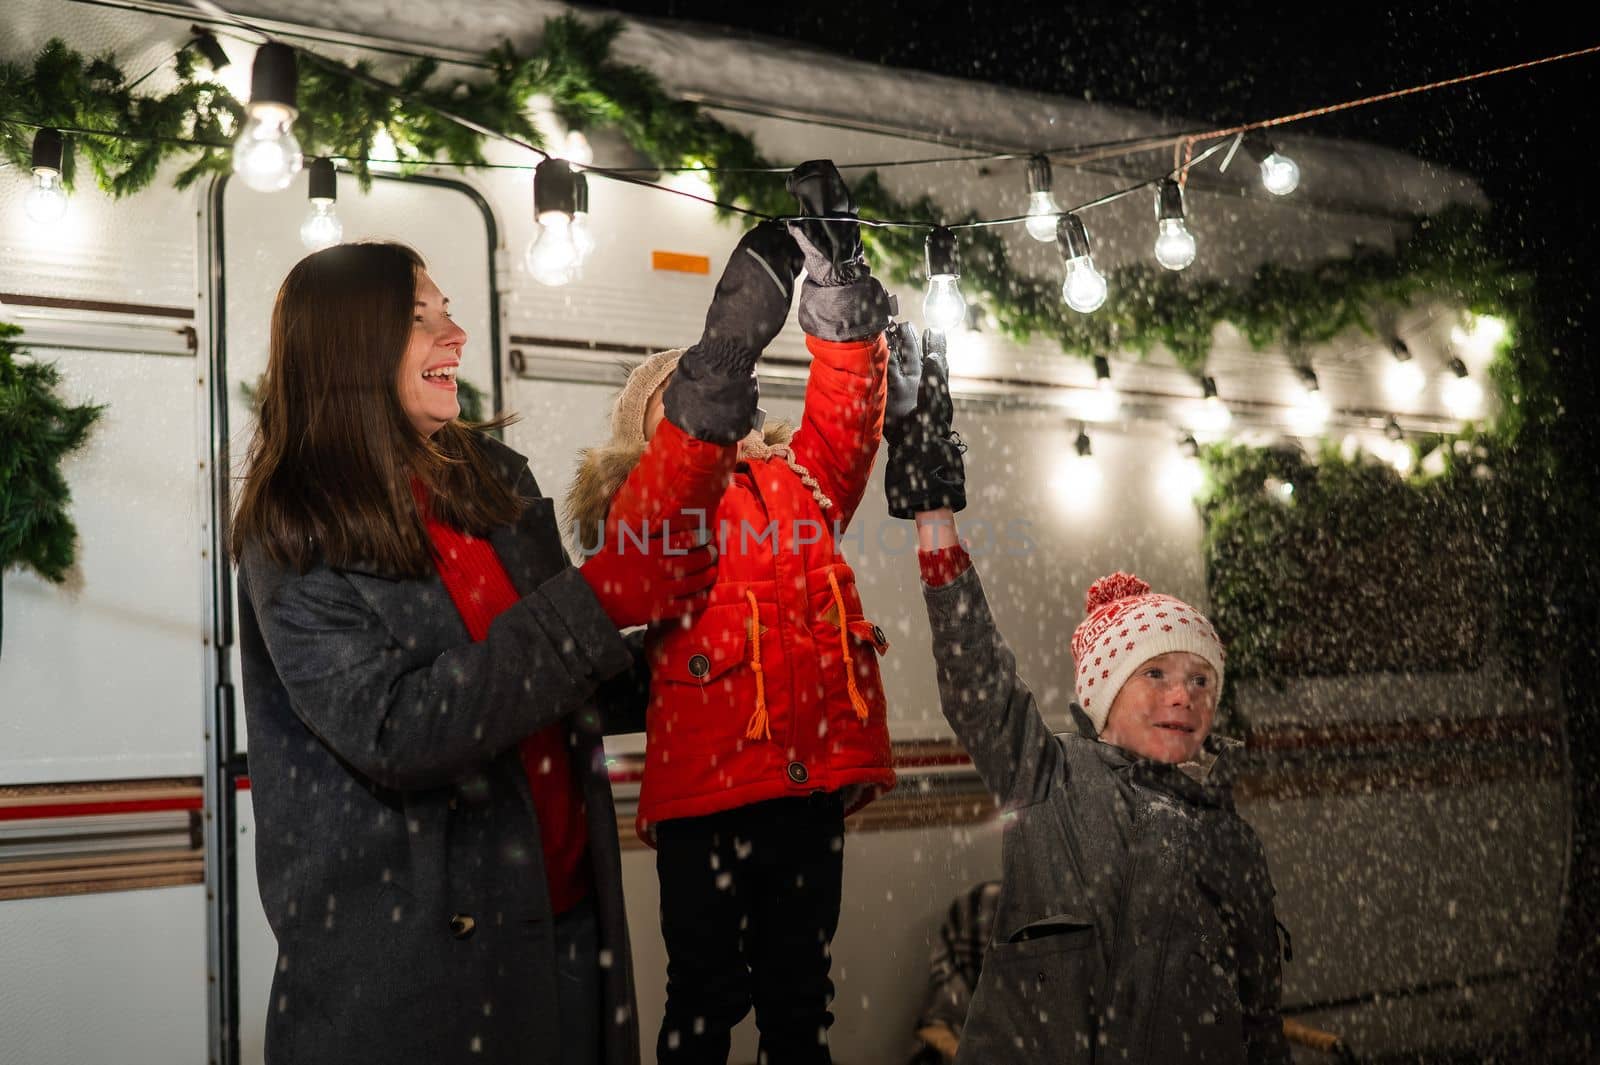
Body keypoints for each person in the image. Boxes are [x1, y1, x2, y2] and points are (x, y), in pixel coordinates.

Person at [231, 241, 720, 1065]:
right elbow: (401, 728)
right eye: (420, 317)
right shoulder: (293, 531)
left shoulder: (492, 481)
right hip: (417, 978)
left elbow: (565, 678)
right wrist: (602, 596)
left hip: (564, 929)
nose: (453, 333)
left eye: (446, 309)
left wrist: (710, 662)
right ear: (351, 344)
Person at [882, 327, 1291, 1064]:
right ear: (1103, 696)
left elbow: (1260, 1018)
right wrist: (934, 517)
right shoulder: (1050, 778)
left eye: (1200, 680)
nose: (1182, 697)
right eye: (1156, 675)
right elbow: (977, 679)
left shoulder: (1232, 838)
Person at [563, 161, 897, 1065]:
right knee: (705, 999)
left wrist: (836, 291)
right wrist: (719, 355)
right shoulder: (656, 503)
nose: (732, 405)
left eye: (736, 392)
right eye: (703, 401)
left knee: (800, 1003)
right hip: (707, 800)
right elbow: (667, 500)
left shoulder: (802, 484)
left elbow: (846, 418)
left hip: (802, 791)